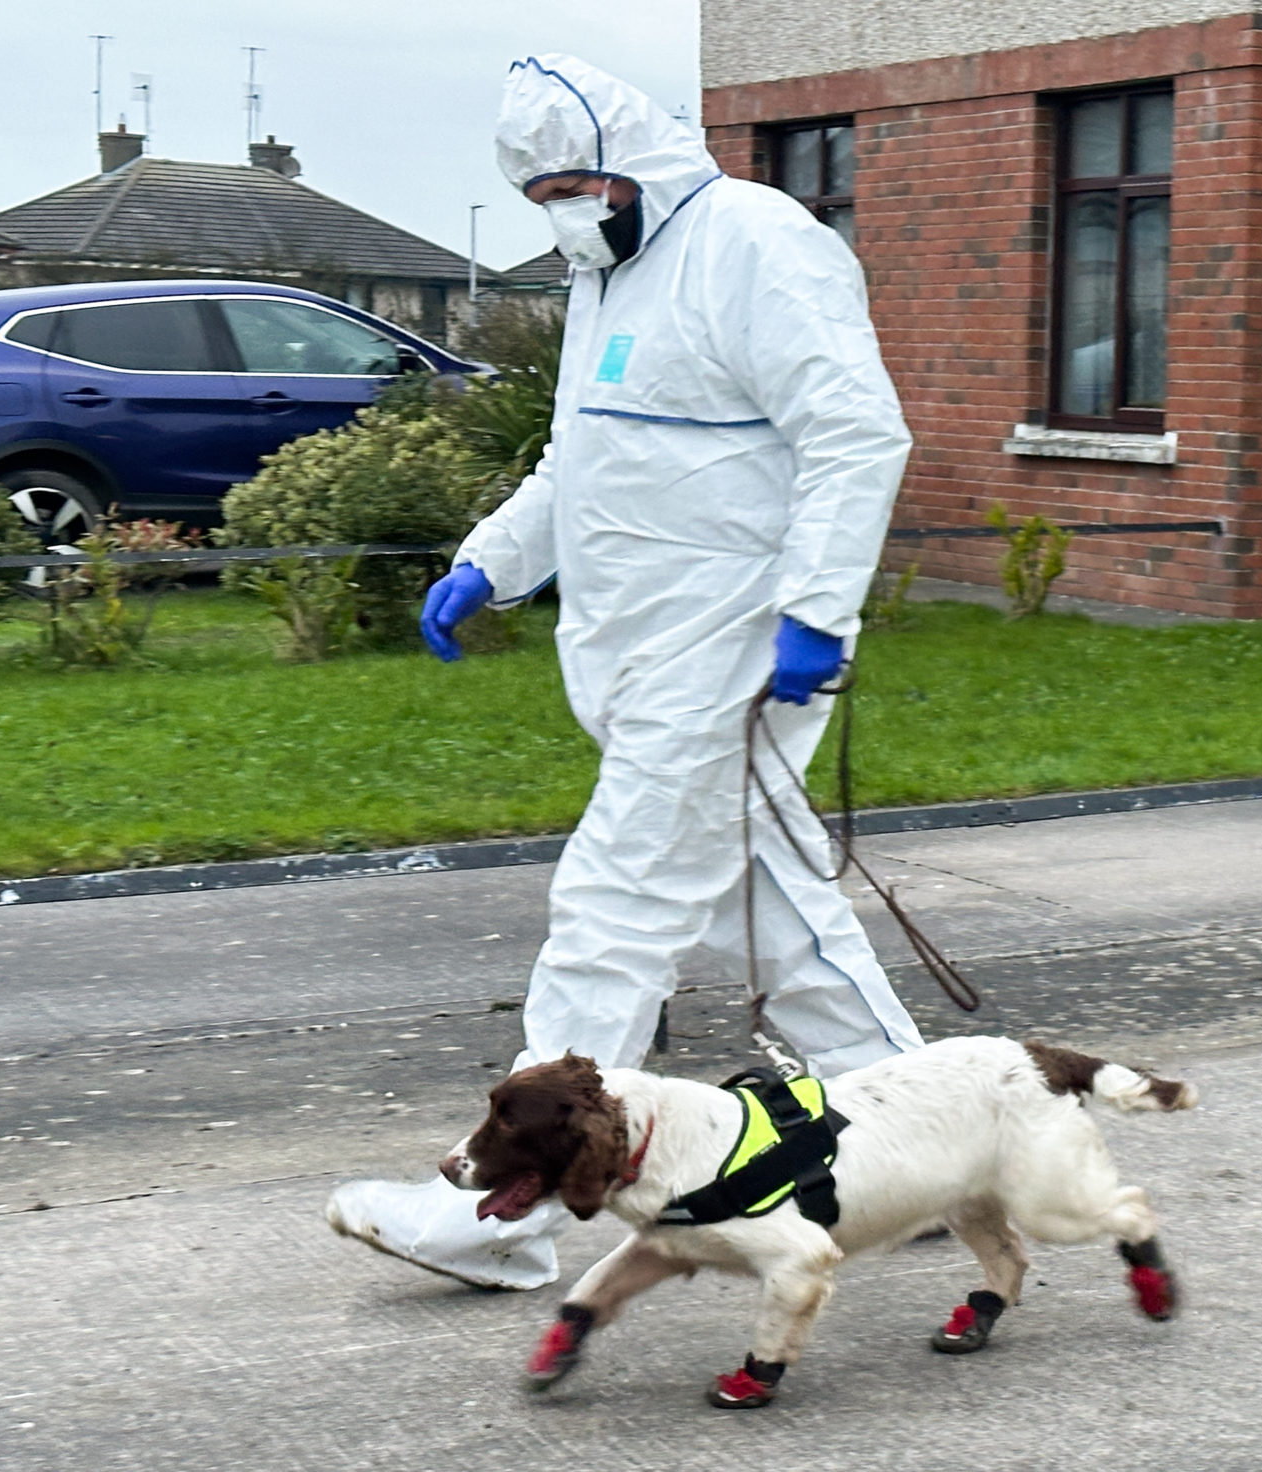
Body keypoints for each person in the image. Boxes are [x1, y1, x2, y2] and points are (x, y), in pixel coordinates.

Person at [323, 55, 925, 1289]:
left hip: (733, 646)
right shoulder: (611, 278)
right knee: (779, 919)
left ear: (635, 163)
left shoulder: (758, 243)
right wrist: (491, 562)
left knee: (610, 913)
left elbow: (856, 430)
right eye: (542, 191)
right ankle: (924, 1149)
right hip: (642, 653)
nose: (564, 210)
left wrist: (814, 609)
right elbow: (580, 461)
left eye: (577, 183)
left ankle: (508, 1210)